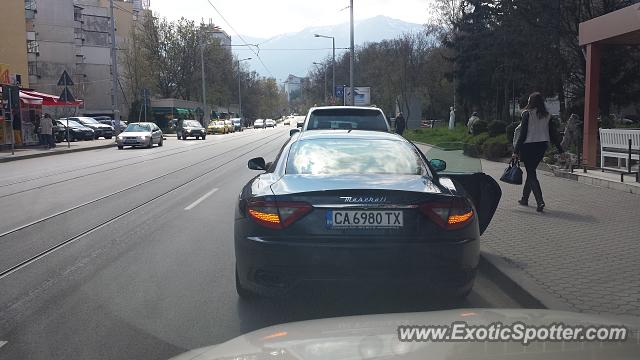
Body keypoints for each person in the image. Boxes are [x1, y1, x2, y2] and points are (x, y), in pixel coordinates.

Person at [513, 92, 563, 212]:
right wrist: (560, 149)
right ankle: (524, 198)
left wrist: (515, 151)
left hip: (528, 146)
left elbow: (523, 135)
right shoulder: (547, 115)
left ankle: (540, 201)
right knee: (531, 172)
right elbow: (553, 134)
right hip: (541, 147)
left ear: (531, 102)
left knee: (531, 174)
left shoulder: (527, 114)